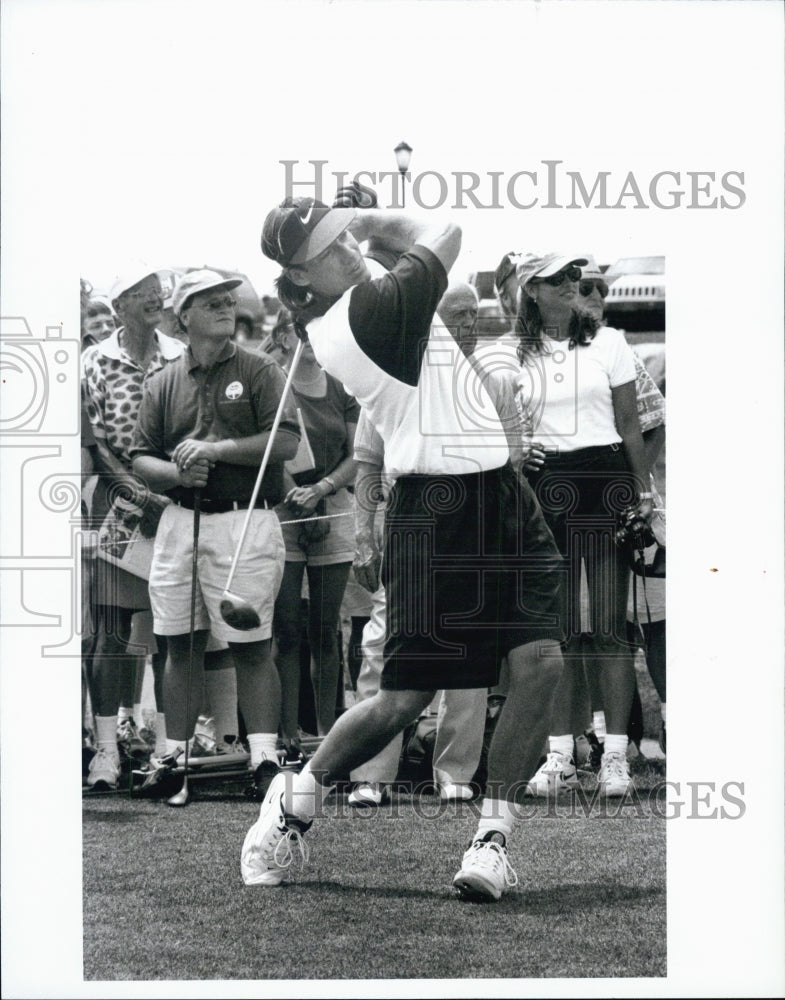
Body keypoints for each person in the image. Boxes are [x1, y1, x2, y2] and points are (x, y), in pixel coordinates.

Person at [241, 196, 564, 903]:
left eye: (339, 240)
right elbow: (444, 233)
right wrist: (372, 220)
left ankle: (490, 839)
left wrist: (358, 237)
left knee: (540, 664)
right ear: (301, 275)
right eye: (326, 249)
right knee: (400, 700)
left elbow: (429, 277)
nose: (343, 251)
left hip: (501, 500)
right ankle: (295, 798)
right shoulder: (366, 315)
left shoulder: (359, 301)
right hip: (433, 509)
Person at [131, 269, 300, 798]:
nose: (227, 306)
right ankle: (173, 757)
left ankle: (264, 760)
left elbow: (288, 442)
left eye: (229, 300)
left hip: (244, 520)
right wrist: (179, 474)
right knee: (177, 643)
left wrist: (217, 451)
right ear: (183, 317)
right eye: (211, 302)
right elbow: (141, 457)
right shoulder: (161, 381)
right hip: (181, 519)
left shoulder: (260, 368)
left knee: (251, 642)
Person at [513, 252, 654, 799]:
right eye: (560, 277)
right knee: (562, 630)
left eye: (577, 274)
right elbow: (506, 428)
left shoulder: (611, 341)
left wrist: (645, 497)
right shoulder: (511, 354)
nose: (575, 283)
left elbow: (629, 424)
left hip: (607, 481)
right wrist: (520, 451)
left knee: (610, 628)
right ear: (533, 291)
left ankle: (615, 754)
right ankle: (562, 755)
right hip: (549, 490)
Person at [81, 264, 183, 789]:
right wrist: (131, 489)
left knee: (171, 628)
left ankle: (167, 749)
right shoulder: (94, 361)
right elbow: (94, 441)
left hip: (175, 502)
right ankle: (106, 751)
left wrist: (163, 491)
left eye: (155, 290)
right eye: (138, 292)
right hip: (115, 503)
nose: (152, 297)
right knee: (110, 631)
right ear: (118, 304)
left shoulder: (180, 355)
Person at [273, 323, 360, 745]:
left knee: (325, 630)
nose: (308, 340)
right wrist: (297, 497)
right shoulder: (271, 379)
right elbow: (269, 453)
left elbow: (356, 454)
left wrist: (321, 491)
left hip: (333, 506)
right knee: (286, 629)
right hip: (282, 508)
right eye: (299, 332)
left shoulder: (341, 385)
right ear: (284, 336)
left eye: (314, 332)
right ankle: (288, 735)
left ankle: (327, 736)